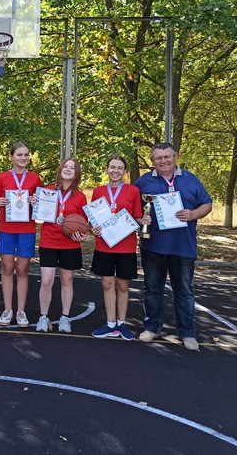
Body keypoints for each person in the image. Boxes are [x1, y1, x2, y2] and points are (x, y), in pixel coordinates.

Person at [134, 142, 212, 351]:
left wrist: (193, 214)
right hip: (153, 246)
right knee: (152, 289)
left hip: (183, 246)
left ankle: (187, 332)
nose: (163, 161)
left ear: (175, 157)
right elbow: (133, 210)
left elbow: (207, 204)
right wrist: (141, 219)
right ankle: (151, 328)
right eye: (158, 158)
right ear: (152, 161)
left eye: (167, 157)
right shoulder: (142, 182)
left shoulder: (191, 179)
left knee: (184, 291)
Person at [89, 156, 143, 340]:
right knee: (107, 284)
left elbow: (137, 217)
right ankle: (110, 324)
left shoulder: (133, 191)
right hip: (104, 245)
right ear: (106, 169)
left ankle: (122, 323)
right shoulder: (98, 191)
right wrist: (92, 229)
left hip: (126, 246)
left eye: (120, 168)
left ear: (125, 172)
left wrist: (144, 220)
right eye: (112, 167)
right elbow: (92, 221)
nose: (116, 171)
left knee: (123, 285)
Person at [0, 142, 43, 327]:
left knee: (22, 270)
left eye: (26, 155)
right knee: (7, 268)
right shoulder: (2, 177)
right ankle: (8, 309)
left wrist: (35, 201)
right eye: (20, 155)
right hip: (6, 229)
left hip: (26, 229)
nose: (24, 158)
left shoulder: (35, 178)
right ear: (11, 157)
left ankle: (21, 311)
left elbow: (41, 205)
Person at [37, 157, 88, 333]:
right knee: (46, 281)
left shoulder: (80, 197)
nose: (68, 169)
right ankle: (43, 317)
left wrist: (82, 235)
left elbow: (83, 224)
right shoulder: (48, 191)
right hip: (49, 241)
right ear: (60, 169)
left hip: (70, 244)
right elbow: (38, 213)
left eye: (72, 168)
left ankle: (65, 317)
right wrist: (34, 203)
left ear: (76, 173)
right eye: (65, 166)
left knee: (67, 280)